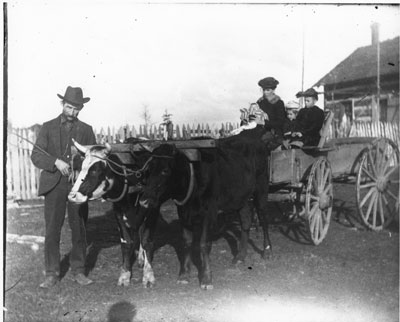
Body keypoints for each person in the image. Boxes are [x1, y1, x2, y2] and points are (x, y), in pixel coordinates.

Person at [31, 86, 97, 288]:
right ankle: (51, 273)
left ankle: (78, 270)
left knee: (79, 228)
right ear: (63, 104)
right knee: (52, 230)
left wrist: (80, 168)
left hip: (77, 187)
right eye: (69, 107)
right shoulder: (48, 127)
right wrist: (55, 163)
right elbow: (36, 155)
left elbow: (93, 159)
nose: (73, 112)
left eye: (77, 109)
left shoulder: (86, 130)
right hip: (54, 185)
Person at [256, 77, 286, 149]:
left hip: (274, 133)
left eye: (268, 90)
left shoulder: (279, 103)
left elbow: (280, 122)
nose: (265, 92)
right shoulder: (260, 102)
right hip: (260, 130)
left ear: (273, 90)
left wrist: (264, 123)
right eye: (263, 90)